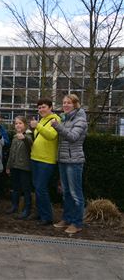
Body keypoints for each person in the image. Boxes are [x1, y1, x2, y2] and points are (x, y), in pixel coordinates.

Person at [51, 94, 88, 234]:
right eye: (64, 102)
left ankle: (77, 223)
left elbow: (73, 137)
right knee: (66, 193)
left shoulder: (81, 120)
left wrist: (57, 126)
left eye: (68, 103)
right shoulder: (66, 119)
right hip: (63, 160)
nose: (65, 105)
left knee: (75, 194)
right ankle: (67, 218)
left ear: (75, 104)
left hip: (74, 161)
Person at [29, 98, 61, 226]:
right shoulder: (41, 120)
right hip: (36, 158)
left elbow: (51, 135)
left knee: (41, 188)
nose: (41, 109)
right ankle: (40, 213)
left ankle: (47, 217)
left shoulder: (55, 119)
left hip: (46, 160)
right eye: (39, 107)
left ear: (50, 107)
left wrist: (38, 126)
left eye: (43, 107)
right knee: (37, 188)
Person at [6, 116, 33, 219]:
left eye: (20, 123)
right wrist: (8, 166)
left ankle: (27, 209)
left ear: (25, 125)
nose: (18, 125)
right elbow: (11, 153)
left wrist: (24, 138)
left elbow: (31, 144)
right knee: (15, 188)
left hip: (25, 167)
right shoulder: (14, 137)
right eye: (16, 123)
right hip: (14, 167)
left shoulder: (28, 135)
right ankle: (14, 206)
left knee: (26, 189)